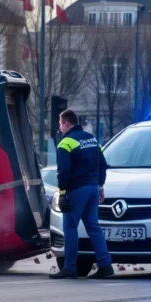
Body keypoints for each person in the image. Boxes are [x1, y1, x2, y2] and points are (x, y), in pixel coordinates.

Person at [50, 109, 114, 279]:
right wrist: (100, 186)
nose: (60, 128)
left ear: (66, 123)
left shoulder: (65, 143)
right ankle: (105, 265)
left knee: (70, 227)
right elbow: (103, 165)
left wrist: (62, 193)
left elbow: (63, 171)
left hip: (77, 189)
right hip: (93, 188)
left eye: (60, 124)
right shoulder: (92, 139)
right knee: (93, 227)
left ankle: (70, 267)